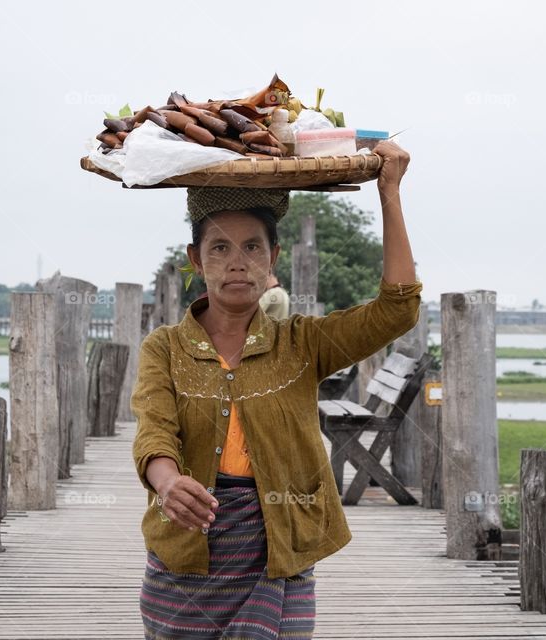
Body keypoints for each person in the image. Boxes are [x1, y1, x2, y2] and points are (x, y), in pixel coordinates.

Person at [132, 141, 421, 639]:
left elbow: (397, 310)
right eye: (219, 248)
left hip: (280, 549)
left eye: (252, 247)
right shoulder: (165, 348)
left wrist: (388, 193)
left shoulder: (302, 343)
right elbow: (154, 432)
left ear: (273, 258)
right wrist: (168, 483)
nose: (237, 262)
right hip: (185, 559)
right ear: (196, 260)